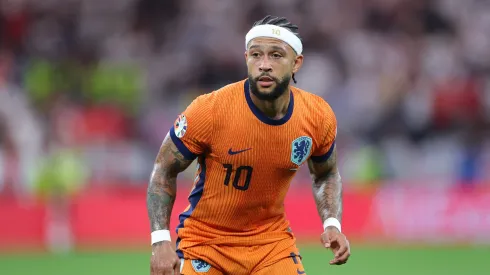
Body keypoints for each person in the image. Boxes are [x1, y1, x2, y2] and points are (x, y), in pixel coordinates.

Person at [147, 15, 351, 275]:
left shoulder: (317, 116)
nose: (264, 65)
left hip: (271, 246)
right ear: (247, 59)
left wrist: (332, 223)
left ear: (296, 63)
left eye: (276, 56)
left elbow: (326, 173)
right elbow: (163, 170)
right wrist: (160, 240)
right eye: (256, 55)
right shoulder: (210, 110)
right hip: (207, 244)